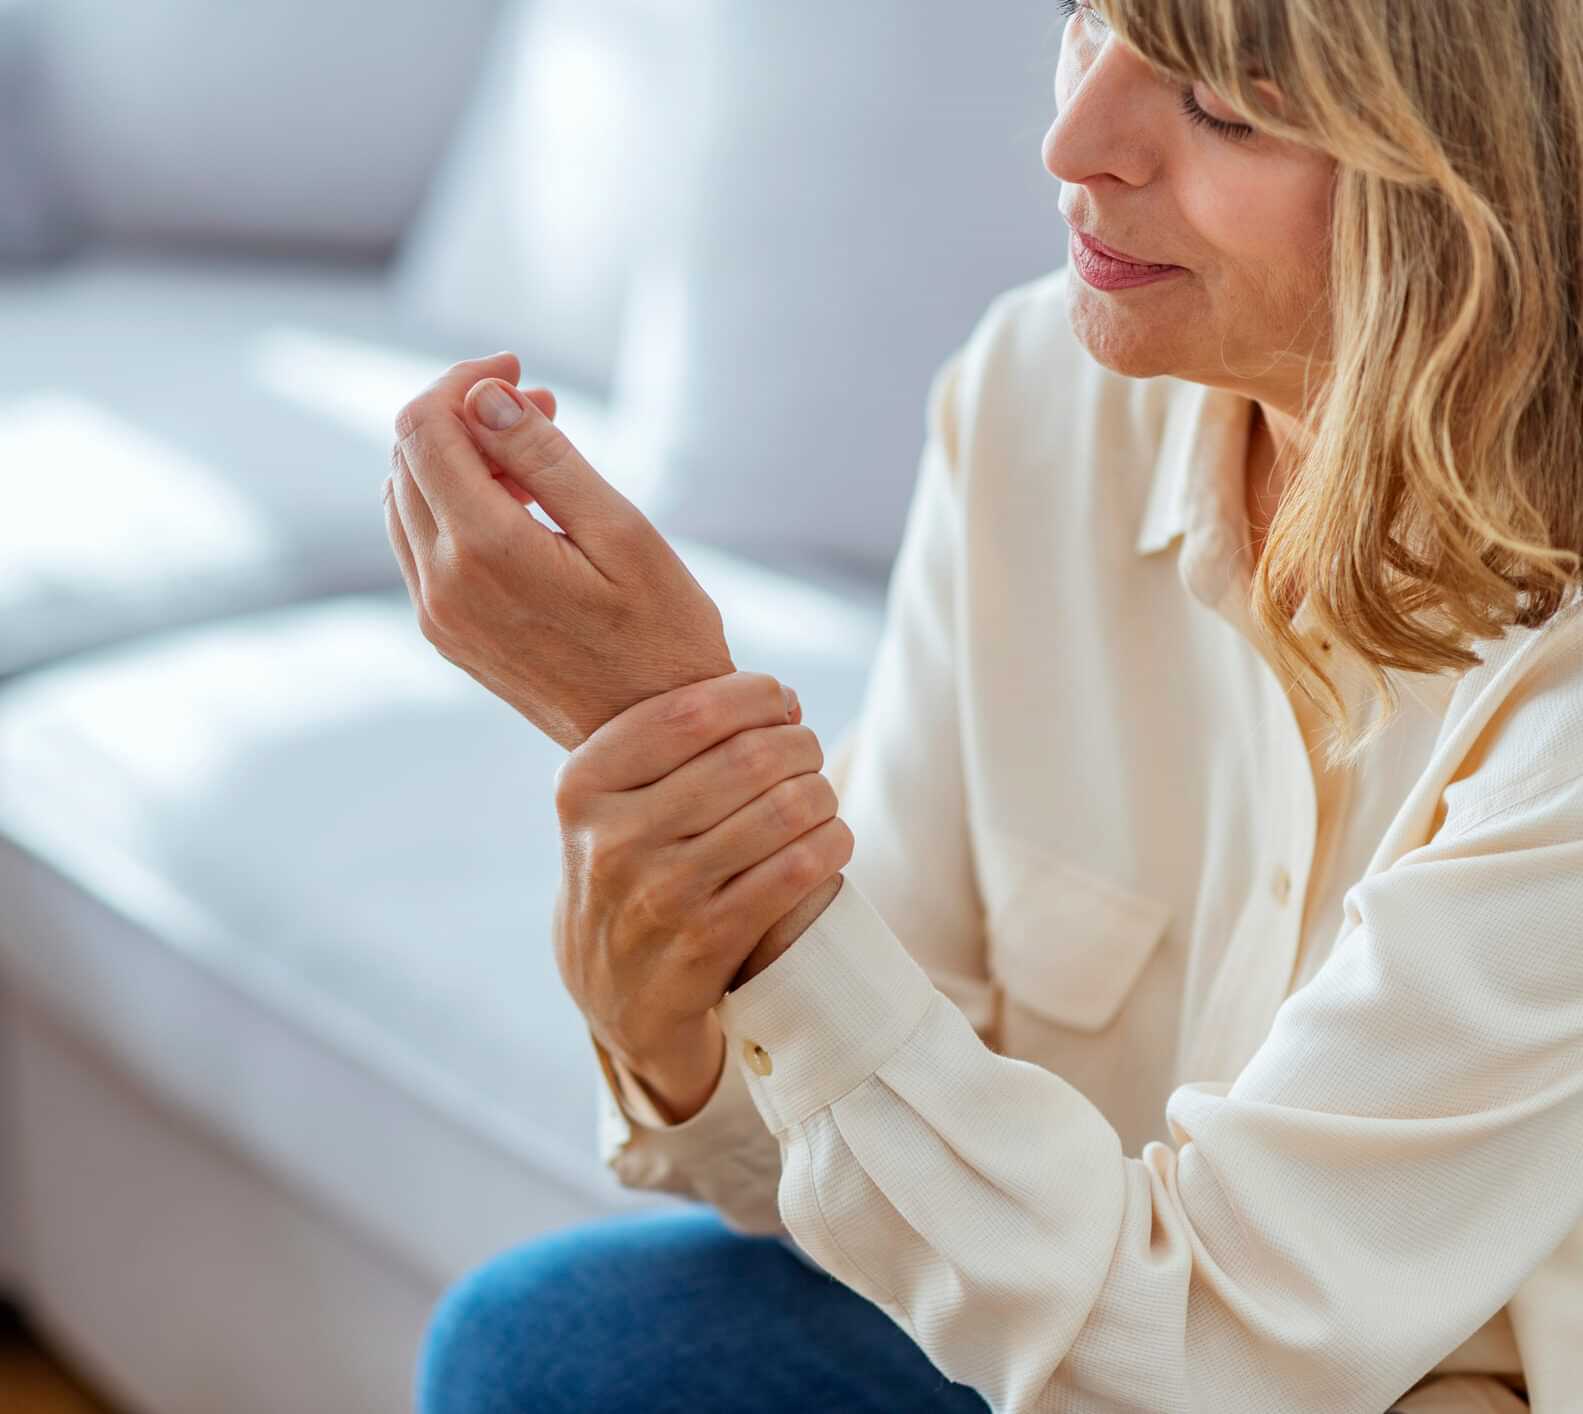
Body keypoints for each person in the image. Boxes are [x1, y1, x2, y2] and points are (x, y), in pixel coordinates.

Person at [390, 0, 1583, 1408]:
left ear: (1481, 176)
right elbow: (875, 1135)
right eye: (1094, 19)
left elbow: (1209, 1350)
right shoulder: (1036, 397)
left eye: (1230, 106)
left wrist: (709, 781)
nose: (1073, 141)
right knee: (550, 1349)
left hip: (1216, 1355)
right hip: (1107, 1326)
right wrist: (685, 919)